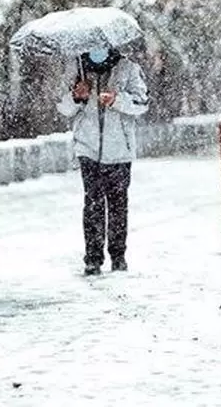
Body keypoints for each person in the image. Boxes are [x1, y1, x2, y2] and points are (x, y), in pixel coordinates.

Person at [57, 46, 149, 276]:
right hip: (87, 149)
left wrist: (117, 100)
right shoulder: (76, 68)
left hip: (119, 150)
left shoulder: (127, 68)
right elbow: (63, 107)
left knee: (118, 205)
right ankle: (93, 258)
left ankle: (118, 256)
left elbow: (141, 103)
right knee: (93, 204)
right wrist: (77, 96)